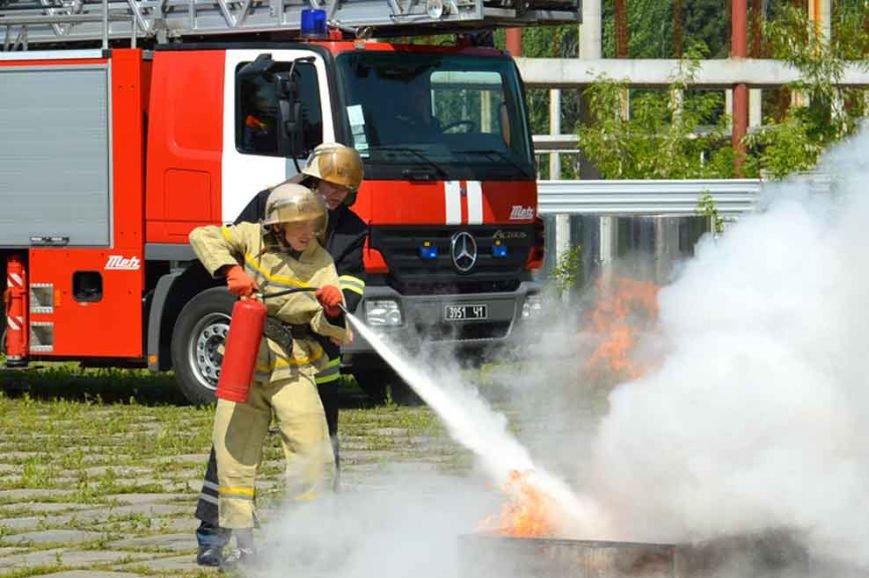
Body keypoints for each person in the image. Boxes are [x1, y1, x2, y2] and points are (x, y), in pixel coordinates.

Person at [194, 143, 366, 568]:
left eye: (344, 191)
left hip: (310, 359)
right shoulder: (271, 204)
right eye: (329, 185)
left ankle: (315, 536)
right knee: (232, 448)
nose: (335, 195)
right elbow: (228, 244)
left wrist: (336, 300)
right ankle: (213, 534)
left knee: (318, 450)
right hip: (248, 354)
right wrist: (230, 272)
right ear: (310, 179)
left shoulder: (348, 232)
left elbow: (351, 286)